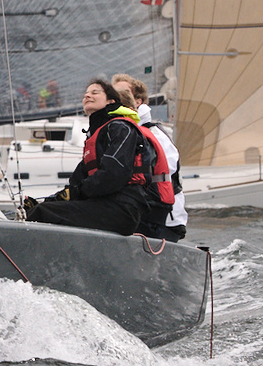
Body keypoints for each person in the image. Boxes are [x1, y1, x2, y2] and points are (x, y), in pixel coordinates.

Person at [26, 79, 172, 236]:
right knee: (38, 209)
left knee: (42, 214)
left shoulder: (121, 128)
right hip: (103, 204)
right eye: (86, 93)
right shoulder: (96, 135)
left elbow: (113, 175)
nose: (87, 95)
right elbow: (76, 183)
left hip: (123, 210)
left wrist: (75, 193)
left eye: (95, 92)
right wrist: (48, 201)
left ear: (111, 101)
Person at [112, 73, 187, 241]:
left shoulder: (153, 133)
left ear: (137, 101)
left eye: (124, 93)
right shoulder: (119, 130)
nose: (117, 97)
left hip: (162, 218)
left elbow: (166, 172)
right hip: (134, 212)